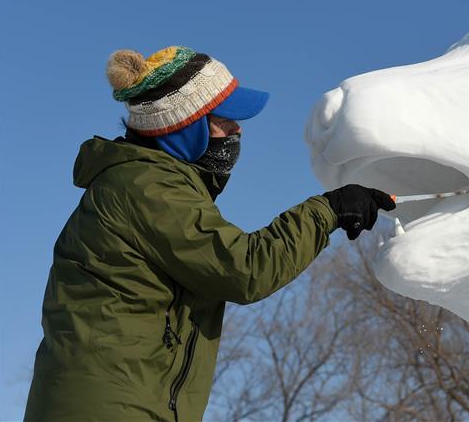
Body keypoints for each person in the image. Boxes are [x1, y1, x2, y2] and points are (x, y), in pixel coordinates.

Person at [24, 47, 395, 421]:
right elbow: (245, 269)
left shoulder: (143, 181)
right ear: (186, 127)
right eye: (226, 119)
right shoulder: (147, 187)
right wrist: (328, 210)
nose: (238, 130)